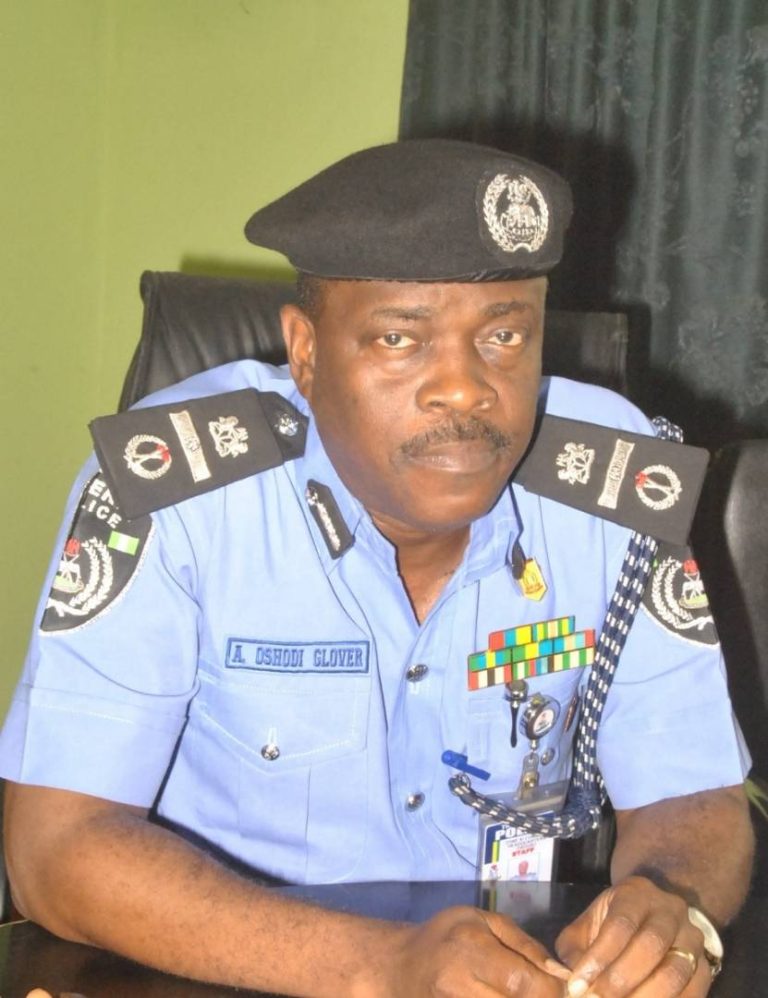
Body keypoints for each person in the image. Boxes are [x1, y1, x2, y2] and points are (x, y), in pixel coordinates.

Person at [0, 140, 753, 997]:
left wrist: (670, 909)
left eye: (505, 335)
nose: (465, 389)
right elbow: (56, 847)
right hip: (224, 971)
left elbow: (695, 792)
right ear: (307, 352)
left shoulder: (614, 488)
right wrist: (380, 966)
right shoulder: (172, 494)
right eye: (400, 339)